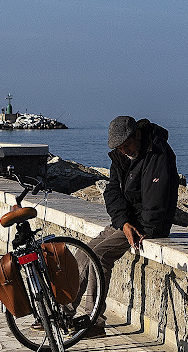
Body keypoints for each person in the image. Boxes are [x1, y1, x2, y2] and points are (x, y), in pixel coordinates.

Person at [76, 116, 179, 337]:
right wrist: (122, 222)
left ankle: (94, 321)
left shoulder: (158, 154)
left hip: (147, 227)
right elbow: (112, 192)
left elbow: (156, 201)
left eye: (126, 145)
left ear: (137, 135)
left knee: (99, 255)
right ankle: (63, 311)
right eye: (119, 147)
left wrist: (141, 229)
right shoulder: (122, 157)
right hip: (126, 222)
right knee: (84, 253)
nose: (123, 151)